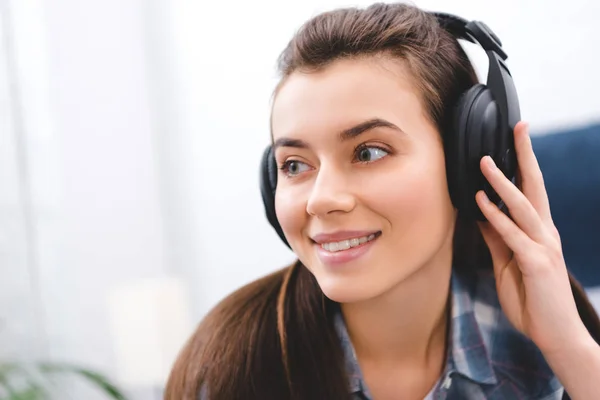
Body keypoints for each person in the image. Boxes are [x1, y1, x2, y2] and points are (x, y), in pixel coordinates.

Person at [165, 3, 600, 399]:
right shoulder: (234, 369)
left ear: (465, 163)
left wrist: (568, 347)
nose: (321, 200)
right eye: (295, 165)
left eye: (368, 152)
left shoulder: (541, 346)